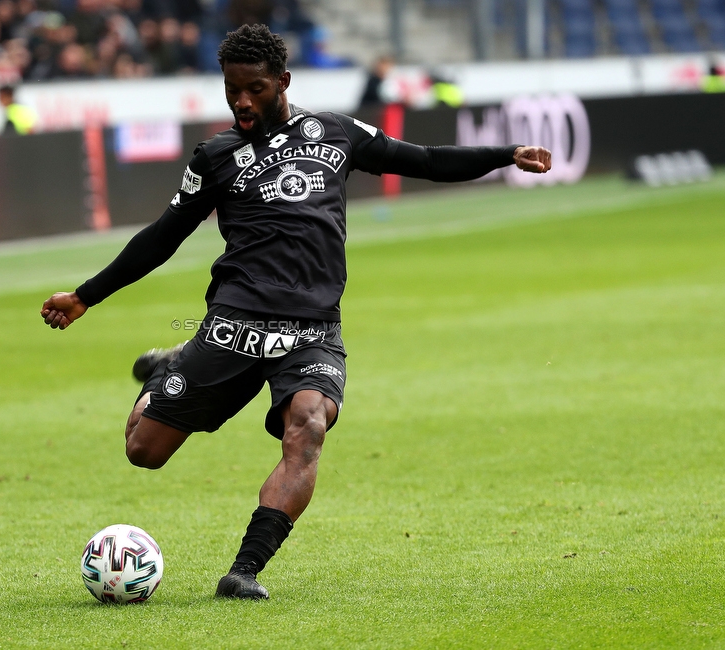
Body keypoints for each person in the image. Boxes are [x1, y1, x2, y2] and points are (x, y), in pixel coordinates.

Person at [41, 24, 551, 600]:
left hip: (312, 329)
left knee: (307, 425)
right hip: (234, 324)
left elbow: (427, 160)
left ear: (283, 80)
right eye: (232, 89)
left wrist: (505, 154)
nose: (241, 101)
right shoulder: (215, 156)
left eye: (254, 88)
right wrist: (86, 295)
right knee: (144, 452)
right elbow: (162, 237)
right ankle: (167, 371)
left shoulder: (336, 133)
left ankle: (245, 571)